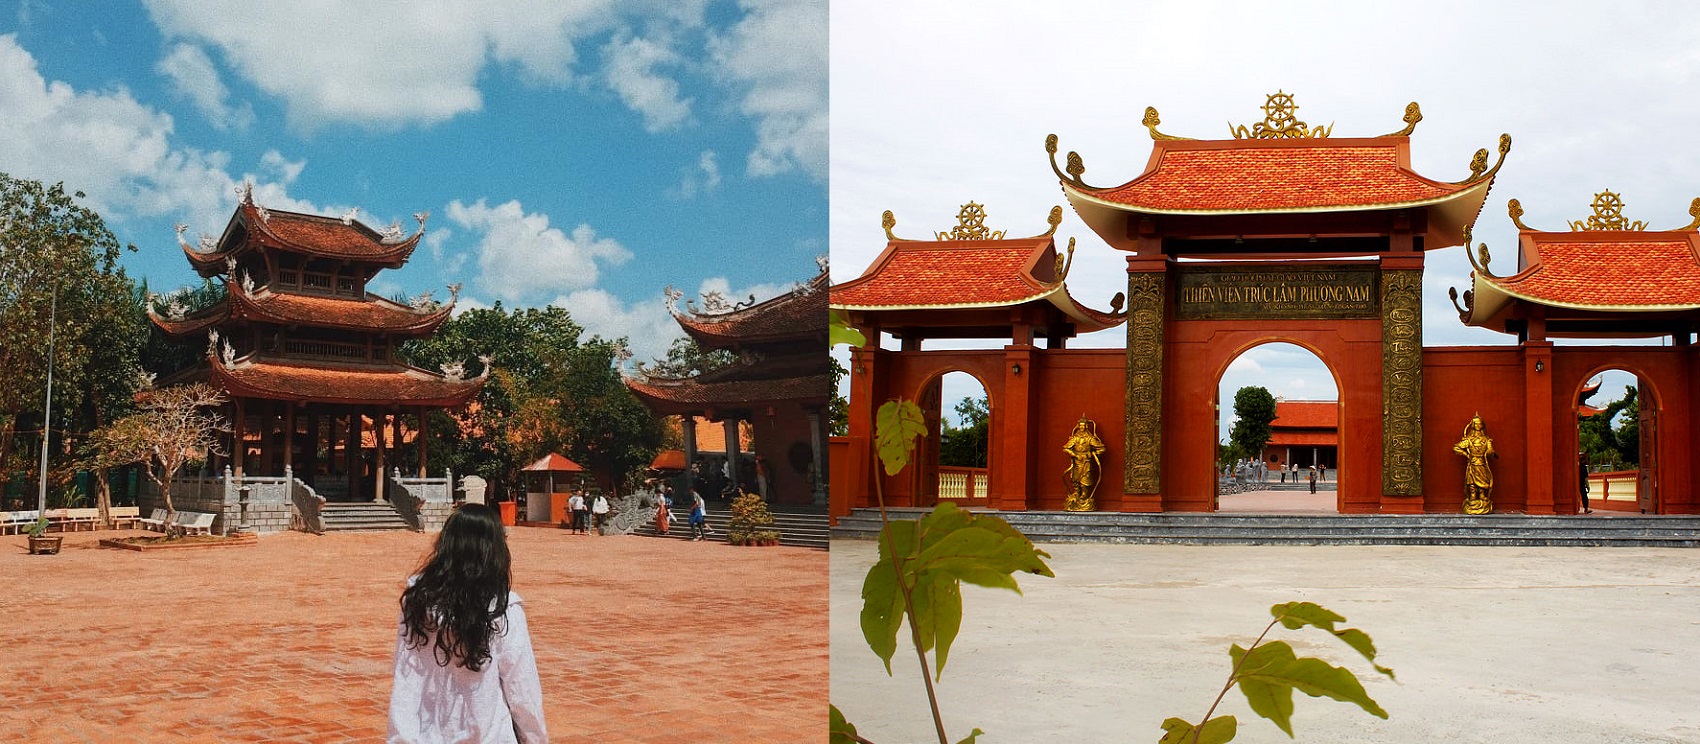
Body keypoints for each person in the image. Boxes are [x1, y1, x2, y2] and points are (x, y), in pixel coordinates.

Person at [389, 503, 547, 743]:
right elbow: (522, 690)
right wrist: (536, 738)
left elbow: (406, 679)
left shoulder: (417, 602)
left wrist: (400, 738)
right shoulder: (503, 610)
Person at [1453, 414, 1496, 515]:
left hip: (1482, 463)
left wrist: (1489, 450)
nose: (1477, 425)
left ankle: (1481, 495)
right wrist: (1466, 454)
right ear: (1472, 425)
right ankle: (1473, 495)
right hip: (1472, 463)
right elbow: (1456, 448)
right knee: (1471, 480)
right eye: (1475, 424)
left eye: (1479, 424)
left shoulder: (1486, 440)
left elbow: (1491, 452)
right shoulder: (1468, 440)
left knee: (1483, 480)